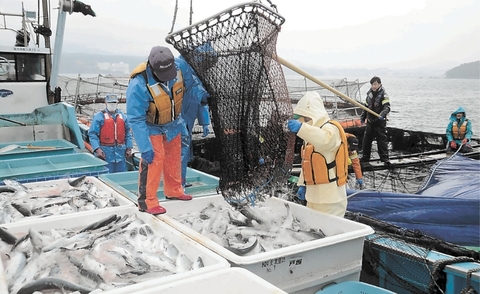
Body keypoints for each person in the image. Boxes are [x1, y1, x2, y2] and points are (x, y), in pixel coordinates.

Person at [126, 45, 208, 215]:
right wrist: (144, 147)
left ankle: (174, 190)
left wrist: (202, 96)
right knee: (155, 160)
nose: (166, 78)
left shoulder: (180, 67)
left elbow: (192, 85)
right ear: (152, 68)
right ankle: (147, 202)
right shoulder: (138, 84)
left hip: (173, 123)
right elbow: (135, 118)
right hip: (151, 126)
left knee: (174, 158)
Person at [287, 91, 349, 217]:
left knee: (329, 231)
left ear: (310, 116)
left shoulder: (331, 128)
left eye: (302, 118)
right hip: (313, 197)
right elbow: (307, 164)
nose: (301, 122)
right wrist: (303, 184)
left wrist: (302, 128)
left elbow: (325, 141)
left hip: (332, 198)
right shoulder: (309, 137)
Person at [178, 54, 211, 188]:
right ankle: (176, 183)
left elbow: (201, 101)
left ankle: (181, 182)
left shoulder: (197, 76)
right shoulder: (179, 67)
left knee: (184, 153)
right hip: (174, 122)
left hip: (187, 122)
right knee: (176, 152)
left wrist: (204, 123)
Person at [88, 93, 133, 173]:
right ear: (106, 103)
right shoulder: (99, 117)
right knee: (105, 175)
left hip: (120, 153)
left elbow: (128, 133)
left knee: (120, 175)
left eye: (114, 103)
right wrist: (97, 149)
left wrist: (129, 148)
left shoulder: (123, 116)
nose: (112, 105)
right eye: (110, 103)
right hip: (105, 153)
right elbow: (92, 134)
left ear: (117, 103)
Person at [360, 76, 391, 165]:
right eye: (372, 84)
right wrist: (363, 117)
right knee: (366, 140)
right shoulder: (369, 94)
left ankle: (385, 159)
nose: (374, 86)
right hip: (370, 120)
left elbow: (387, 107)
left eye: (375, 84)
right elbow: (365, 107)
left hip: (379, 121)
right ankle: (365, 158)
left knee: (381, 140)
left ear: (379, 84)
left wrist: (382, 114)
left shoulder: (384, 94)